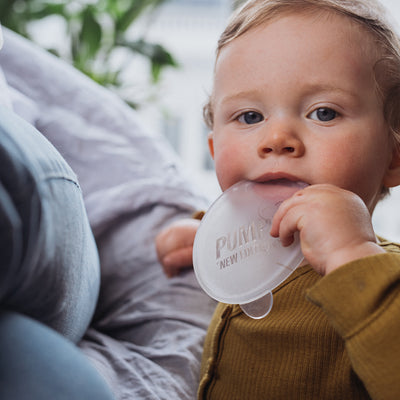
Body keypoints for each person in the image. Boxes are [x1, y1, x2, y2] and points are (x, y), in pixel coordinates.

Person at [155, 0, 400, 398]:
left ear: (393, 155)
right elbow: (249, 232)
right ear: (215, 152)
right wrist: (205, 238)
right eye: (250, 117)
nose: (276, 140)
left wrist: (351, 254)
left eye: (324, 113)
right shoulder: (237, 247)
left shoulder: (383, 284)